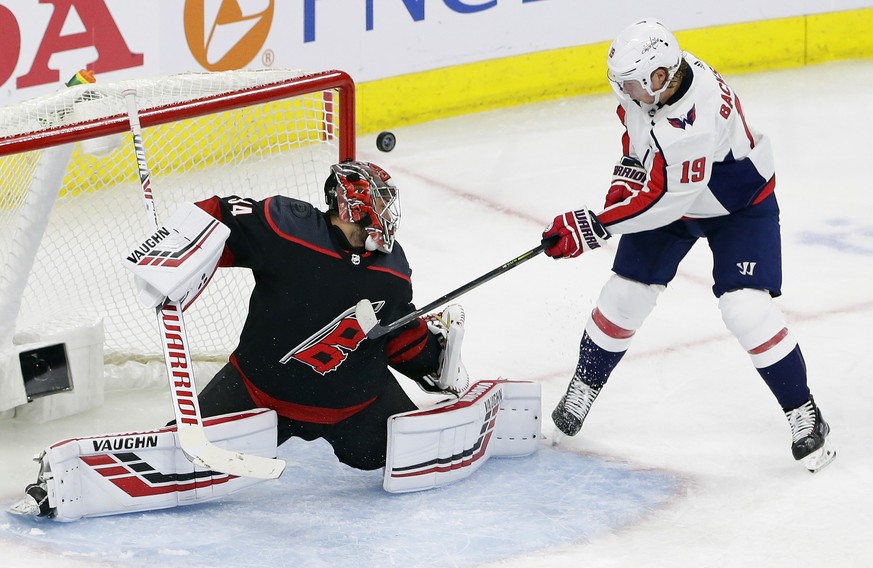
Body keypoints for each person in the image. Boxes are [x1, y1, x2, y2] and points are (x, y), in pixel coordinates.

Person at [11, 160, 472, 520]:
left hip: (354, 405)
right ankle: (64, 485)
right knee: (179, 458)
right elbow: (217, 217)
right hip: (256, 390)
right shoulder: (287, 228)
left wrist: (432, 358)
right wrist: (179, 253)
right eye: (370, 218)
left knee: (390, 456)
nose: (379, 230)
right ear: (344, 208)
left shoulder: (392, 270)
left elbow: (397, 332)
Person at [541, 19, 835, 472]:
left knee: (746, 309)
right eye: (621, 83)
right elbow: (639, 140)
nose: (626, 92)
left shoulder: (691, 124)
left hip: (737, 206)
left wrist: (595, 225)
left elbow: (662, 202)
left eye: (633, 83)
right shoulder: (658, 84)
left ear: (660, 76)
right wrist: (626, 176)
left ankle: (803, 411)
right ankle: (584, 384)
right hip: (677, 195)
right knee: (625, 294)